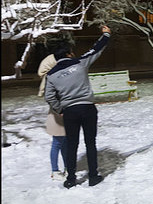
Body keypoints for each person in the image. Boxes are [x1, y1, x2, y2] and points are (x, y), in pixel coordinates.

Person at [44, 25, 111, 188]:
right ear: (68, 54)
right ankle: (93, 176)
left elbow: (49, 96)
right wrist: (106, 34)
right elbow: (96, 49)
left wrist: (60, 109)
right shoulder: (80, 63)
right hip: (87, 108)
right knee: (90, 142)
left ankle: (71, 179)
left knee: (72, 144)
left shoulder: (51, 75)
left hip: (69, 112)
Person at [38, 53, 67, 180]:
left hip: (62, 113)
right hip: (57, 114)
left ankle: (67, 166)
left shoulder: (55, 76)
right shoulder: (52, 77)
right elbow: (50, 97)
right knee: (57, 142)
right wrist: (59, 109)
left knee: (65, 142)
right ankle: (55, 170)